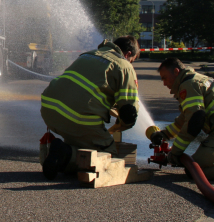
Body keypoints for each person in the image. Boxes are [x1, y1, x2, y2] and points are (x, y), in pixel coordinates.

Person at [41, 36, 140, 180]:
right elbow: (129, 112)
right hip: (78, 118)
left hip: (49, 110)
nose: (131, 63)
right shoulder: (124, 66)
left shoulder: (89, 55)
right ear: (129, 54)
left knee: (82, 138)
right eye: (132, 60)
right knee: (108, 155)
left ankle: (63, 153)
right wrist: (118, 128)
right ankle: (67, 155)